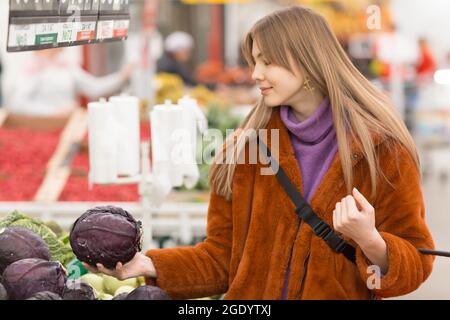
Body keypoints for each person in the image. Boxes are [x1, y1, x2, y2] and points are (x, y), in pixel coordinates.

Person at [84, 6, 435, 300]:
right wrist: (148, 264)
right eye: (254, 61)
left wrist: (370, 240)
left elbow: (416, 263)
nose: (255, 74)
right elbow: (223, 258)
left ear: (306, 60)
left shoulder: (380, 149)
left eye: (267, 62)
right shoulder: (243, 150)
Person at [3, 48, 133, 117]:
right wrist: (53, 112)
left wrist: (120, 77)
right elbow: (17, 104)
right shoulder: (31, 68)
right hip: (40, 128)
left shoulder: (66, 66)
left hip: (68, 125)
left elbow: (93, 87)